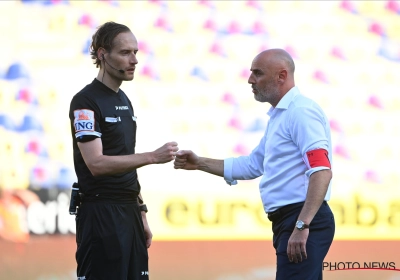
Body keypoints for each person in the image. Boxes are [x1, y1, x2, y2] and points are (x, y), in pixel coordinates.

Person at [174, 49, 334, 280]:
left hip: (301, 217)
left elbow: (321, 171)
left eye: (257, 73)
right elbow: (252, 165)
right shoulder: (282, 115)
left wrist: (301, 224)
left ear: (281, 75)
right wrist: (200, 163)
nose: (250, 80)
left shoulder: (300, 112)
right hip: (292, 219)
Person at [69, 21, 178, 280]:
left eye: (136, 53)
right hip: (101, 214)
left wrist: (140, 211)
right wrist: (152, 157)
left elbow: (125, 159)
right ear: (103, 54)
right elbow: (96, 164)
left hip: (128, 213)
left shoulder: (124, 99)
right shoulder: (85, 101)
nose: (134, 60)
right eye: (125, 53)